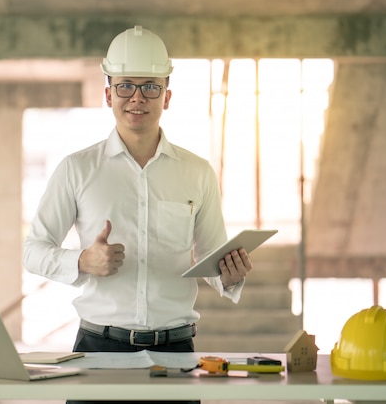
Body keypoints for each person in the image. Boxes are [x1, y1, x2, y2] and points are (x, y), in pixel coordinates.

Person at [23, 25, 253, 404]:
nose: (137, 98)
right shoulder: (76, 169)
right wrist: (82, 260)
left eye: (150, 86)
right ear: (108, 93)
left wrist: (230, 275)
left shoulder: (196, 173)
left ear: (167, 96)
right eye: (126, 85)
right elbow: (33, 250)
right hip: (98, 349)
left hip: (175, 353)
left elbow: (213, 259)